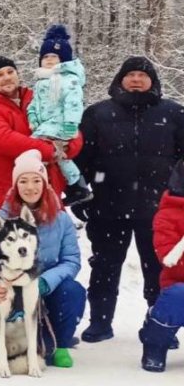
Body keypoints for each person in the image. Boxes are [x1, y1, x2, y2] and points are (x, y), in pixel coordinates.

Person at [75, 57, 184, 343]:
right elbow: (80, 160)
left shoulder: (174, 113)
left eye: (142, 75)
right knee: (104, 267)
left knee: (159, 269)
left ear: (153, 81)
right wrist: (81, 195)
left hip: (159, 210)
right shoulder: (97, 114)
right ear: (120, 79)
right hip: (107, 206)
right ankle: (99, 321)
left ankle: (160, 325)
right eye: (130, 74)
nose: (136, 79)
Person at [0, 149, 85, 368]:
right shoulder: (2, 218)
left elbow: (71, 260)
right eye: (23, 181)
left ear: (44, 183)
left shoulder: (60, 219)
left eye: (36, 180)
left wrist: (44, 282)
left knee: (73, 291)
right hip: (10, 285)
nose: (30, 187)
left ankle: (60, 344)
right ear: (16, 186)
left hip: (45, 286)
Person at [0, 55, 83, 218]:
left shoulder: (38, 98)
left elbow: (70, 124)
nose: (7, 77)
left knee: (53, 241)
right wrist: (50, 150)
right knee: (15, 242)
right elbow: (4, 139)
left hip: (48, 192)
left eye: (10, 71)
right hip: (10, 196)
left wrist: (69, 146)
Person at [27, 25, 91, 206]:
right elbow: (34, 103)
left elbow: (73, 103)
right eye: (45, 57)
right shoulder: (42, 80)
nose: (48, 60)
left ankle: (73, 185)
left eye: (53, 57)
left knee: (39, 151)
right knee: (59, 155)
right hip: (44, 125)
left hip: (59, 124)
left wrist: (70, 125)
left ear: (63, 60)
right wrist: (32, 116)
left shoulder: (67, 79)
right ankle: (77, 187)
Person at [139, 162, 184, 372]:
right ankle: (154, 344)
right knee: (178, 294)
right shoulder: (168, 214)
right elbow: (169, 259)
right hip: (178, 286)